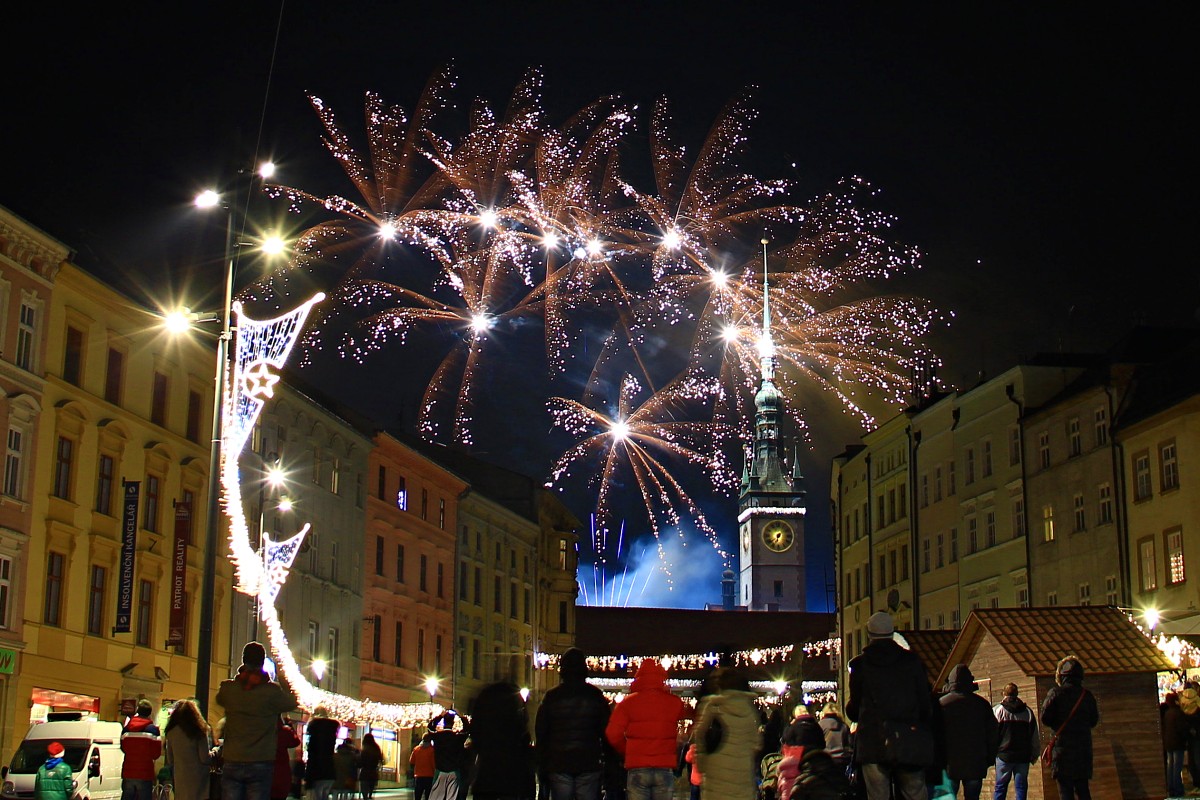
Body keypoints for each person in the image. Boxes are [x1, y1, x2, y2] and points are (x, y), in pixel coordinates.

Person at [845, 611, 935, 800]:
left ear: (869, 634)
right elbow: (925, 703)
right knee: (915, 793)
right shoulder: (912, 661)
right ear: (892, 632)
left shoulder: (860, 666)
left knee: (878, 795)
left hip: (872, 740)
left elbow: (854, 709)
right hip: (908, 738)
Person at [215, 641, 300, 800]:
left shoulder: (229, 689)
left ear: (243, 660)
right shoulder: (271, 692)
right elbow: (292, 702)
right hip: (260, 760)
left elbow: (220, 699)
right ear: (262, 663)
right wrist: (284, 681)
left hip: (233, 758)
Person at [605, 659, 692, 800]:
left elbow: (612, 733)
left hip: (637, 767)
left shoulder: (627, 703)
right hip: (664, 766)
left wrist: (627, 750)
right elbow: (686, 730)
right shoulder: (674, 703)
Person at [535, 647, 611, 800]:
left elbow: (541, 732)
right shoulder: (595, 695)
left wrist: (542, 762)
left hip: (559, 762)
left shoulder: (552, 696)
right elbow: (606, 731)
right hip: (588, 761)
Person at [692, 667, 762, 800]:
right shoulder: (750, 710)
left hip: (716, 771)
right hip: (743, 773)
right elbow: (756, 743)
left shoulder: (713, 706)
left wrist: (701, 762)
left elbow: (699, 734)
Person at [1039, 655, 1099, 800]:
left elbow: (1045, 718)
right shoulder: (1087, 695)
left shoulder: (1055, 693)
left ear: (1061, 675)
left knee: (1065, 792)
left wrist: (1058, 724)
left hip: (1062, 751)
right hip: (1083, 751)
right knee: (1083, 791)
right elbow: (1094, 721)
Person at [938, 664, 997, 800]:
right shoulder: (982, 705)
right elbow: (992, 734)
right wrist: (989, 758)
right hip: (975, 763)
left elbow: (935, 735)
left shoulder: (941, 705)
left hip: (948, 764)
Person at [468, 681, 535, 799]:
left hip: (486, 780)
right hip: (512, 781)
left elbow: (475, 735)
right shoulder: (516, 736)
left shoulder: (485, 735)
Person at [991, 684, 1038, 800]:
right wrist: (1035, 754)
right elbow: (1034, 735)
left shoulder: (998, 710)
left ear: (1004, 694)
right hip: (1023, 756)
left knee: (1000, 788)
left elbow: (992, 735)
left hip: (1004, 756)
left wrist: (991, 753)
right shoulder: (1027, 712)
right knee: (1021, 787)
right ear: (1017, 693)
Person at [165, 700, 214, 800]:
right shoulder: (199, 730)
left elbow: (170, 760)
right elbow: (204, 758)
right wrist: (216, 752)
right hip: (198, 782)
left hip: (180, 781)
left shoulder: (171, 732)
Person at [777, 704, 825, 800]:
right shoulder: (816, 726)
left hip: (798, 762)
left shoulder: (793, 727)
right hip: (816, 760)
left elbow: (786, 742)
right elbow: (823, 744)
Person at [122, 699, 164, 800]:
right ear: (150, 713)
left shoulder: (126, 729)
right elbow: (156, 754)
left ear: (137, 711)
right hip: (145, 773)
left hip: (128, 772)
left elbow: (123, 748)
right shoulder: (153, 730)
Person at [304, 707, 340, 800]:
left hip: (317, 772)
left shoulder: (314, 730)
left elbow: (313, 755)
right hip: (329, 772)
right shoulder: (332, 729)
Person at [1161, 692, 1188, 799]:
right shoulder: (1178, 713)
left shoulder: (1167, 713)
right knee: (1177, 767)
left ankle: (1171, 788)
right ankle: (1178, 789)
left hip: (1168, 743)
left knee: (1170, 766)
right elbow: (1182, 729)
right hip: (1177, 743)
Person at [271, 720, 301, 800]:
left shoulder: (263, 731)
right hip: (281, 773)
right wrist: (290, 727)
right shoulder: (284, 732)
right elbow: (296, 741)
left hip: (265, 770)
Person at [819, 703, 852, 771]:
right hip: (841, 759)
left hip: (825, 759)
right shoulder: (844, 726)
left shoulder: (820, 725)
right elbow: (849, 744)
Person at [408, 734, 436, 800]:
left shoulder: (416, 749)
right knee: (428, 795)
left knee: (418, 795)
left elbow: (412, 762)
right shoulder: (432, 750)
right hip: (429, 776)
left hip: (418, 776)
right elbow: (434, 764)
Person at [357, 734, 383, 800]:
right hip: (373, 772)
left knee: (364, 789)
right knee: (371, 788)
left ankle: (365, 797)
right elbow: (381, 759)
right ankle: (370, 796)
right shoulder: (376, 748)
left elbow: (360, 762)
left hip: (365, 772)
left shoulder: (364, 749)